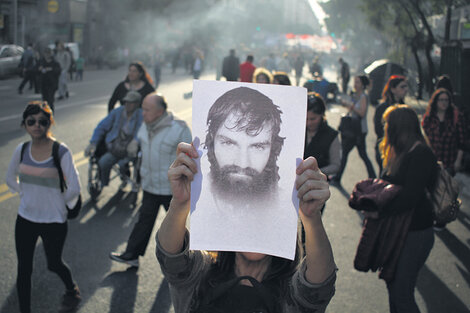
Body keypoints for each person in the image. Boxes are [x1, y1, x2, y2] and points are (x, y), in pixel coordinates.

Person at [156, 142, 337, 313]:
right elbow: (171, 258)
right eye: (247, 215)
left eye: (266, 217)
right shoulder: (200, 274)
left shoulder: (291, 294)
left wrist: (312, 218)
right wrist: (179, 204)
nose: (256, 226)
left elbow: (317, 287)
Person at [6, 101, 81, 313]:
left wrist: (57, 202)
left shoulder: (60, 150)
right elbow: (10, 178)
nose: (37, 125)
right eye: (31, 121)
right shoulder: (21, 150)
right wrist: (24, 193)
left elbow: (75, 187)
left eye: (42, 121)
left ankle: (71, 288)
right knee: (24, 269)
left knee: (54, 263)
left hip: (54, 221)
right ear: (25, 125)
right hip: (26, 219)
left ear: (50, 123)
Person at [109, 93, 192, 267]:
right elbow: (140, 143)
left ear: (160, 111)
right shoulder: (145, 125)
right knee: (144, 221)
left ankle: (185, 262)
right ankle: (131, 254)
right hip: (150, 186)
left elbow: (190, 158)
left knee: (177, 227)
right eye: (142, 108)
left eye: (147, 109)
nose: (142, 113)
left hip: (171, 190)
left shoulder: (179, 128)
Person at [370, 104, 437, 313]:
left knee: (402, 292)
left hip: (416, 231)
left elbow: (410, 198)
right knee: (394, 285)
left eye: (387, 124)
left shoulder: (421, 154)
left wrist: (378, 211)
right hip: (400, 230)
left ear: (399, 127)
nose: (385, 129)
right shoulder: (400, 152)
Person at [85, 91, 143, 190]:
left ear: (137, 104)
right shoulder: (117, 112)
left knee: (122, 165)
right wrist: (93, 143)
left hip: (131, 150)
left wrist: (136, 141)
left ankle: (129, 179)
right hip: (115, 147)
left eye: (131, 102)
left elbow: (143, 131)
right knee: (103, 162)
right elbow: (101, 126)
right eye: (126, 102)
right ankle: (103, 183)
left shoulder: (141, 115)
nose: (127, 104)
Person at [332, 75, 376, 184]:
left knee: (359, 154)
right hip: (353, 129)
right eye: (355, 82)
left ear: (363, 85)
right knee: (349, 153)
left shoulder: (363, 97)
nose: (355, 84)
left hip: (359, 130)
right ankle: (372, 176)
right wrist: (347, 105)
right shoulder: (356, 95)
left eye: (357, 82)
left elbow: (361, 113)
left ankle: (373, 177)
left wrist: (350, 105)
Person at [422, 88, 465, 177]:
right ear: (435, 101)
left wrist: (458, 161)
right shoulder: (429, 118)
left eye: (446, 100)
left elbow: (461, 141)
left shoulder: (455, 117)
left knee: (445, 188)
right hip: (432, 161)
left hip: (449, 161)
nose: (444, 102)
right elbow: (423, 138)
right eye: (441, 100)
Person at [373, 75, 408, 175]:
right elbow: (378, 129)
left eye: (406, 87)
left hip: (402, 149)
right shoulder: (383, 107)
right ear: (393, 89)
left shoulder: (405, 108)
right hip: (385, 147)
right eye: (402, 87)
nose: (406, 90)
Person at [304, 93, 340, 179]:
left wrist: (317, 172)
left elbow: (335, 165)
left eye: (313, 119)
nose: (308, 123)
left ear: (322, 115)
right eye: (306, 118)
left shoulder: (331, 135)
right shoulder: (298, 130)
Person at [38, 48, 61, 112]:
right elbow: (35, 70)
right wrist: (39, 69)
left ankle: (51, 115)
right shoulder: (41, 62)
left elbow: (58, 71)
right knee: (45, 101)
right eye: (46, 53)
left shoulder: (54, 62)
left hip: (52, 84)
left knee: (50, 101)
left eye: (48, 53)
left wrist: (51, 69)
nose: (47, 55)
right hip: (43, 83)